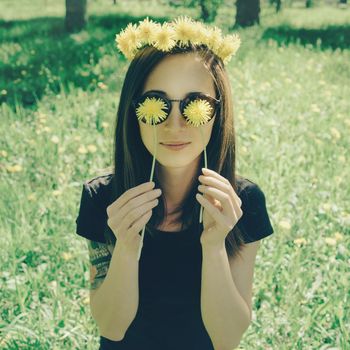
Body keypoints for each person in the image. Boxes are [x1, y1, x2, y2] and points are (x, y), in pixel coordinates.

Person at [75, 16, 274, 350]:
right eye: (156, 104)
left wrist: (214, 245)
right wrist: (124, 248)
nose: (175, 124)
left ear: (218, 113)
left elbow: (227, 339)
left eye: (196, 105)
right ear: (132, 111)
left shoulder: (243, 201)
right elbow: (111, 326)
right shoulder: (104, 198)